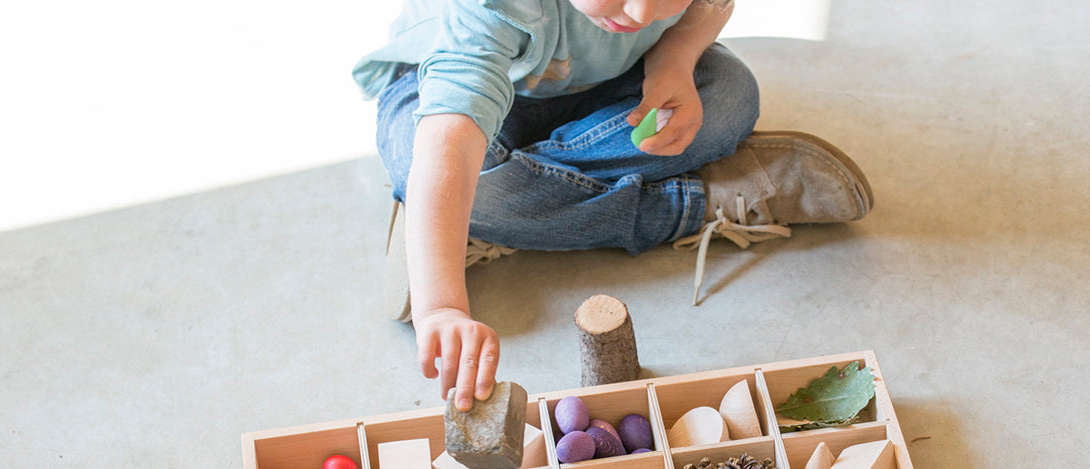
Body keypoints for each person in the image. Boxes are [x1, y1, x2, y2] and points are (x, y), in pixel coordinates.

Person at [353, 0, 872, 411]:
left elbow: (711, 5)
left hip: (597, 88)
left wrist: (677, 57)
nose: (642, 13)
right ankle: (693, 200)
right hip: (439, 103)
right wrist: (440, 305)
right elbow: (451, 138)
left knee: (731, 95)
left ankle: (464, 211)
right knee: (439, 163)